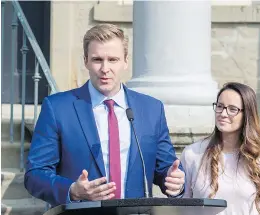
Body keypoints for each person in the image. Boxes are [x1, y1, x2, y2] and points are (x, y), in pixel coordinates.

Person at [24, 24, 185, 207]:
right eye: (97, 59)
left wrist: (175, 182)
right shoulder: (58, 108)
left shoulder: (151, 109)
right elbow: (35, 174)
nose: (105, 68)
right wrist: (72, 190)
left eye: (113, 59)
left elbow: (165, 168)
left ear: (125, 61)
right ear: (85, 61)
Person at [181, 82, 260, 215]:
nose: (223, 113)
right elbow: (183, 205)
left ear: (246, 115)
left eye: (232, 109)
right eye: (220, 106)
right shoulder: (193, 154)